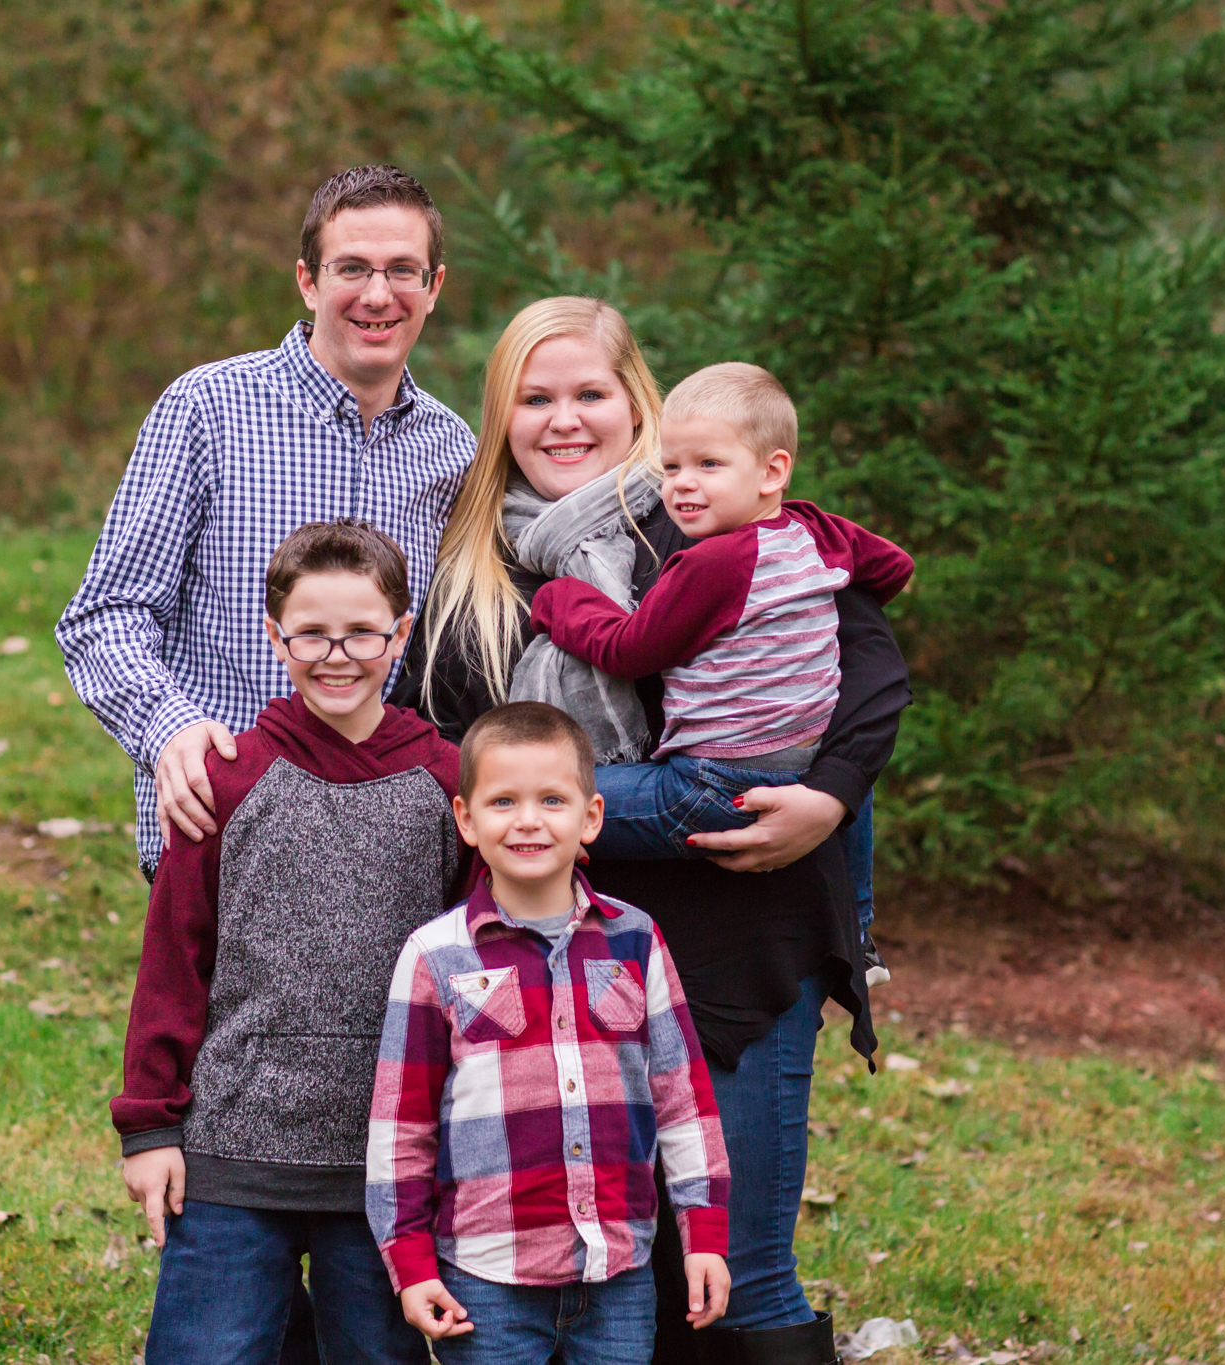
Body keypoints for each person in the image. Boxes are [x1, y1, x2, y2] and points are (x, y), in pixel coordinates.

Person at [390, 296, 912, 1363]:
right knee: (603, 1264)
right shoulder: (478, 564)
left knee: (741, 1268)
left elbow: (868, 662)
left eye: (590, 393)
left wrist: (829, 795)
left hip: (742, 930)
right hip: (562, 972)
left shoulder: (709, 514)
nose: (563, 419)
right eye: (534, 398)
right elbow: (433, 747)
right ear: (500, 416)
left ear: (638, 403)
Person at [57, 163, 475, 881]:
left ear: (434, 287)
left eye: (402, 270)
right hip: (225, 834)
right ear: (308, 281)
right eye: (352, 268)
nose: (378, 295)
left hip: (389, 855)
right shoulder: (208, 409)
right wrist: (169, 731)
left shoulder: (451, 451)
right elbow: (106, 615)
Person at [113, 521, 465, 1364]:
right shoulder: (225, 779)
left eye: (362, 632)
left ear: (402, 633)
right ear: (275, 638)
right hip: (232, 1150)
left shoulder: (449, 782)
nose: (337, 655)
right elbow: (174, 961)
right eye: (311, 634)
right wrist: (150, 1127)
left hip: (387, 1164)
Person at [367, 701, 732, 1364]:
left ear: (591, 816)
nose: (529, 819)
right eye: (503, 801)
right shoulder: (435, 955)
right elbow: (401, 1127)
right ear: (466, 819)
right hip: (486, 1279)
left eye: (552, 800)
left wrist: (703, 1233)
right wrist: (411, 1262)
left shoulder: (635, 939)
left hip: (618, 1271)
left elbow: (684, 1099)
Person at [530, 362, 913, 862]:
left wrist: (557, 597)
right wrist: (800, 611)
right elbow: (893, 567)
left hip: (713, 784)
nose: (683, 483)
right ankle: (860, 917)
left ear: (772, 471)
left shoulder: (716, 562)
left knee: (544, 806)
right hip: (803, 762)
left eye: (709, 464)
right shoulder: (816, 531)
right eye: (671, 467)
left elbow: (627, 651)